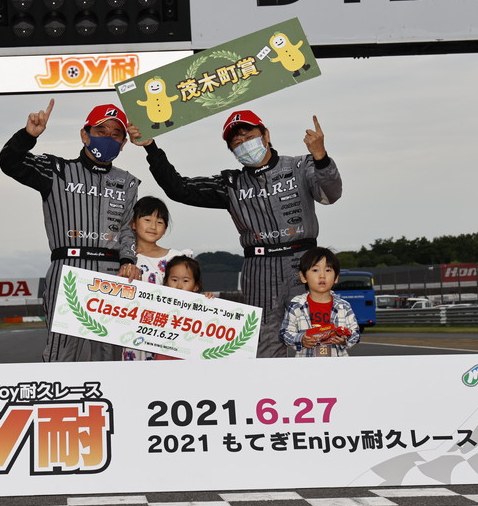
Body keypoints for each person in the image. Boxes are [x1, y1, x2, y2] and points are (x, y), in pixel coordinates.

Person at [127, 109, 342, 358]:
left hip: (304, 263)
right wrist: (151, 148)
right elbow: (179, 189)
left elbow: (331, 194)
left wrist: (321, 157)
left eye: (248, 137)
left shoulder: (300, 165)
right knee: (265, 341)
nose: (244, 144)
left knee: (316, 336)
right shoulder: (231, 183)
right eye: (237, 143)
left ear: (266, 135)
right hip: (259, 268)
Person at [0, 98, 141, 363]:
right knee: (60, 355)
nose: (108, 138)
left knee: (110, 357)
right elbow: (9, 163)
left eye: (115, 134)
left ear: (123, 143)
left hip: (112, 274)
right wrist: (28, 136)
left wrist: (128, 261)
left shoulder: (128, 182)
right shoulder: (56, 170)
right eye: (101, 131)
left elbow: (127, 229)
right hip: (68, 270)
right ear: (85, 135)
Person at [123, 196, 192, 361]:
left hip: (166, 335)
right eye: (147, 220)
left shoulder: (176, 258)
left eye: (160, 222)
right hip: (129, 334)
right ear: (133, 223)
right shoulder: (123, 261)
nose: (153, 226)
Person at [280, 247, 360, 357]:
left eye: (328, 270)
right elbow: (284, 333)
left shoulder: (344, 306)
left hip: (338, 363)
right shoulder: (296, 306)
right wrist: (301, 339)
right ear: (303, 277)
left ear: (336, 277)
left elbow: (355, 333)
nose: (322, 275)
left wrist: (345, 339)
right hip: (306, 364)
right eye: (315, 270)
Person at [152, 255, 215, 360]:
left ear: (196, 286)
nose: (179, 286)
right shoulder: (158, 304)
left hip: (190, 357)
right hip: (164, 355)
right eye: (174, 280)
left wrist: (209, 301)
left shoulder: (201, 306)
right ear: (166, 283)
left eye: (185, 281)